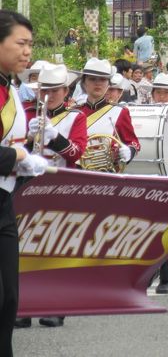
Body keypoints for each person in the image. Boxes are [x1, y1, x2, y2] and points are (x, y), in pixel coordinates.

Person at [18, 63, 88, 329]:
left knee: (58, 247)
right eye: (44, 89)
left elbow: (76, 153)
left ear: (65, 90)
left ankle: (56, 307)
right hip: (29, 184)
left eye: (55, 89)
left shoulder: (75, 116)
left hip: (62, 187)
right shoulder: (26, 113)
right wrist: (27, 138)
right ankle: (23, 306)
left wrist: (55, 137)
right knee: (25, 247)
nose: (49, 94)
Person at [0, 11, 49, 356]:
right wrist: (18, 158)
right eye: (21, 43)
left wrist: (28, 155)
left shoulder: (12, 88)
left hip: (4, 202)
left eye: (30, 44)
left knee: (9, 299)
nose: (27, 51)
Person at [143, 73, 168, 295]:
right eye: (158, 92)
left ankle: (166, 277)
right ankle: (148, 272)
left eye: (166, 93)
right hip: (150, 176)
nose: (161, 96)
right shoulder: (146, 114)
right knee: (149, 226)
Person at [77, 57, 140, 167]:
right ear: (84, 83)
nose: (98, 83)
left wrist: (130, 151)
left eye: (102, 79)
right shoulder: (75, 112)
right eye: (92, 79)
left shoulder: (120, 112)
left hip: (107, 173)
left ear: (108, 84)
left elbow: (134, 143)